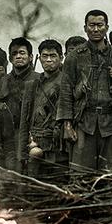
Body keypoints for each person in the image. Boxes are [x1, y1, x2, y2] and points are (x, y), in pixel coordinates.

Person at [57, 10, 112, 177]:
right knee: (81, 175)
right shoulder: (74, 57)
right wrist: (67, 125)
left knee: (111, 176)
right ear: (85, 28)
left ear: (107, 27)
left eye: (100, 25)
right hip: (84, 123)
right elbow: (65, 92)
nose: (96, 29)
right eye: (92, 25)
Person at [19, 39, 69, 180]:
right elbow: (24, 122)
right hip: (35, 145)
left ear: (61, 57)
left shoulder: (68, 82)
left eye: (53, 56)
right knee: (34, 186)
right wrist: (22, 154)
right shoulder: (32, 85)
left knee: (59, 185)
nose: (48, 60)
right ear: (39, 58)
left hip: (60, 147)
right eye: (45, 56)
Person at [0, 37, 38, 170]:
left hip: (31, 136)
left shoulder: (38, 79)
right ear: (10, 58)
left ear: (30, 57)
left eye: (22, 53)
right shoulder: (3, 81)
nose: (18, 56)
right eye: (14, 54)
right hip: (8, 137)